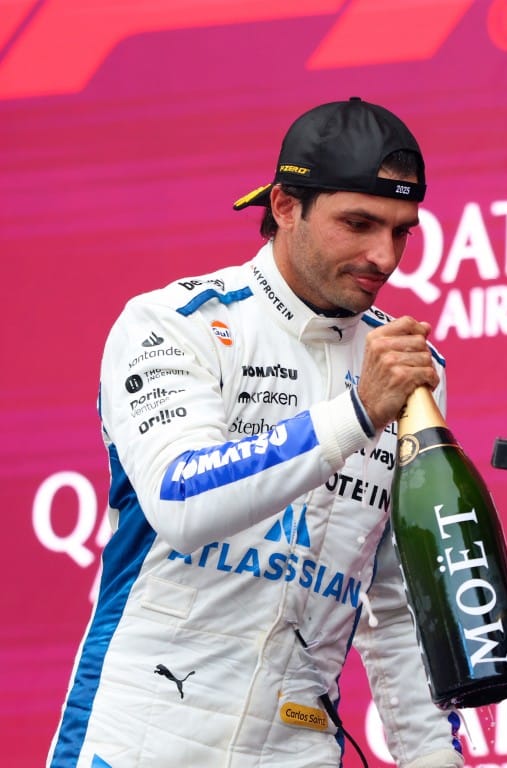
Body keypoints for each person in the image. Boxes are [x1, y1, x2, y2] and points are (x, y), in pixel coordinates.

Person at [48, 98, 464, 768]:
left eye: (401, 231)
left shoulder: (410, 367)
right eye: (357, 223)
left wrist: (433, 760)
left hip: (296, 744)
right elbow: (185, 503)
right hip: (141, 740)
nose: (383, 255)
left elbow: (400, 603)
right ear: (285, 205)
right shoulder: (173, 323)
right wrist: (357, 413)